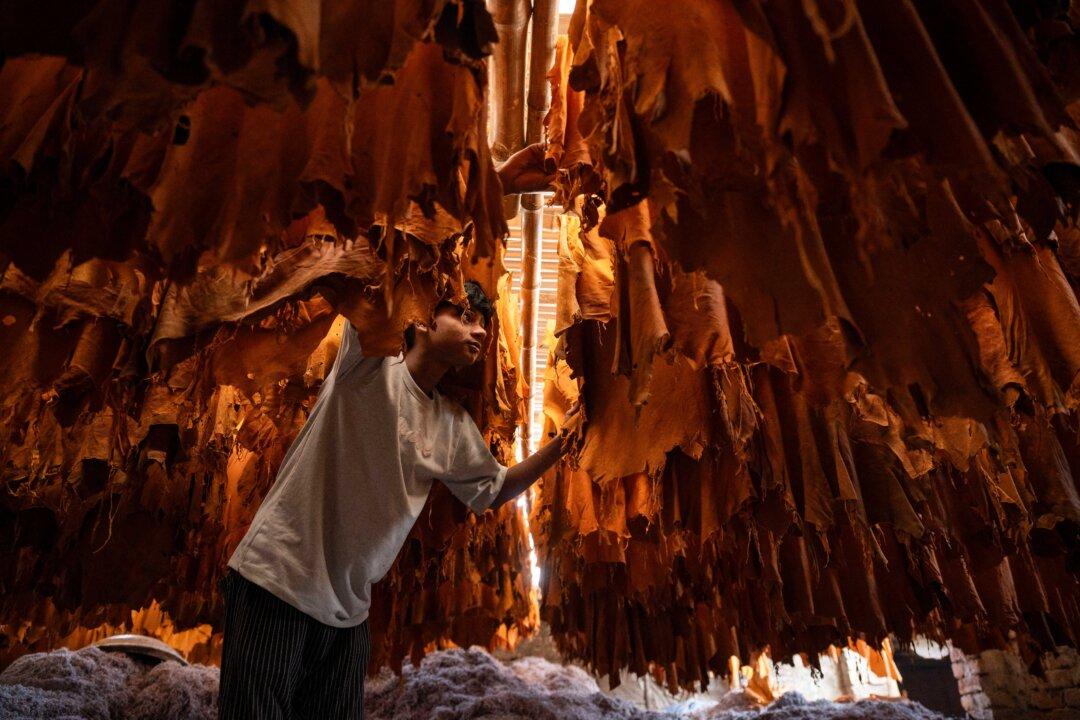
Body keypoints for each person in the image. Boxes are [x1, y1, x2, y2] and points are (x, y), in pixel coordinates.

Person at [217, 145, 567, 720]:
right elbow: (396, 257)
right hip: (278, 580)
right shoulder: (367, 363)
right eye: (468, 316)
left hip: (348, 612)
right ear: (427, 317)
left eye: (483, 322)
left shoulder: (452, 429)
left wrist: (562, 444)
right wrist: (490, 190)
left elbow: (496, 488)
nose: (480, 331)